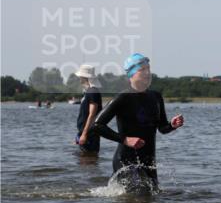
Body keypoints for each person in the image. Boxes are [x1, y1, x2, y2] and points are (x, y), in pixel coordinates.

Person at [90, 53, 184, 191]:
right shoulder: (123, 97)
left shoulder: (156, 97)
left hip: (149, 160)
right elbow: (96, 126)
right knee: (138, 197)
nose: (147, 73)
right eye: (142, 70)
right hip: (126, 161)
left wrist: (171, 125)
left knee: (151, 198)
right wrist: (125, 140)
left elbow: (162, 128)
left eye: (149, 69)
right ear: (132, 74)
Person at [73, 64, 102, 155]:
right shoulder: (89, 91)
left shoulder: (93, 92)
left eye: (81, 76)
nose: (80, 78)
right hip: (86, 132)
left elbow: (92, 115)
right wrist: (80, 134)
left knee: (88, 161)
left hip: (90, 134)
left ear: (85, 77)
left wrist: (84, 134)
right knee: (86, 161)